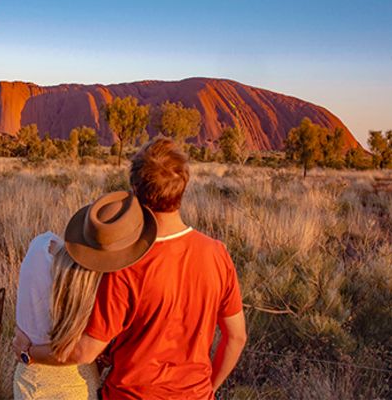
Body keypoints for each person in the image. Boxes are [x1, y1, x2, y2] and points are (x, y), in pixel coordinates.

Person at [14, 137, 247, 399]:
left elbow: (87, 351)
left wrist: (30, 354)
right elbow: (236, 337)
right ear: (183, 186)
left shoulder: (125, 266)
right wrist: (209, 389)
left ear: (135, 190)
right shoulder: (217, 254)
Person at [13, 191, 157, 399]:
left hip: (28, 378)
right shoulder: (104, 286)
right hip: (78, 383)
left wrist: (27, 351)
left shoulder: (39, 245)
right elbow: (87, 351)